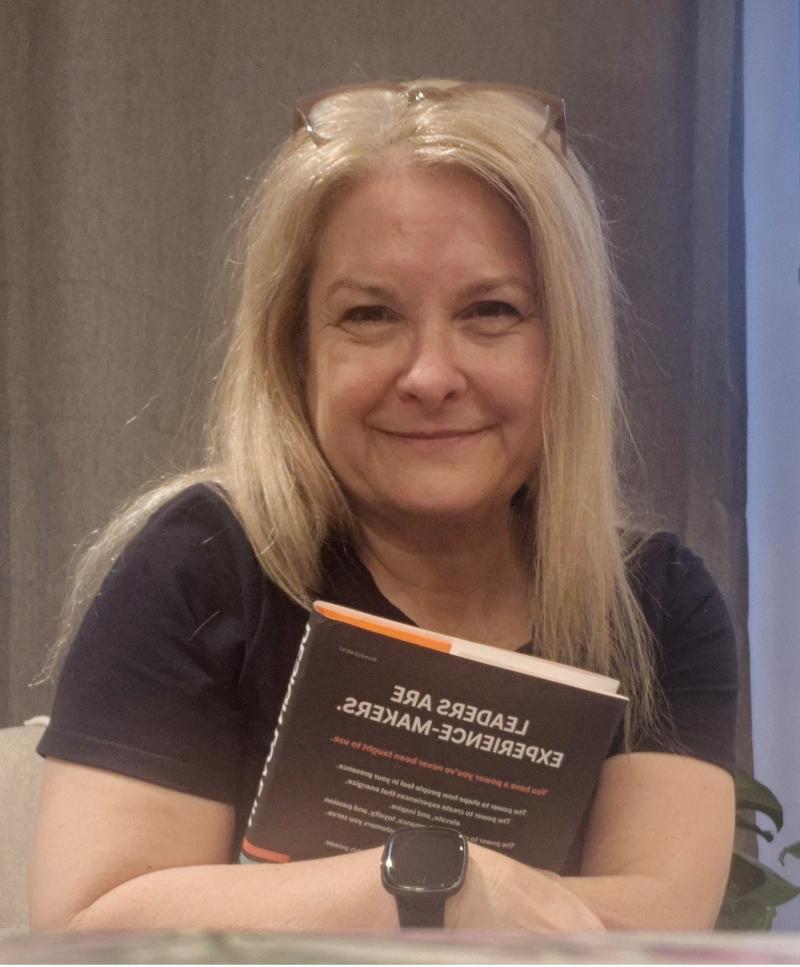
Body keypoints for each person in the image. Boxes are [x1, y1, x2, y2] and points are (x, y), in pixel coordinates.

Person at [29, 79, 738, 933]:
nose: (431, 375)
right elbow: (92, 927)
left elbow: (659, 927)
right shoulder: (202, 567)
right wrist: (439, 883)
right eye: (369, 315)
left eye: (491, 311)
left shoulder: (656, 603)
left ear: (569, 348)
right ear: (296, 351)